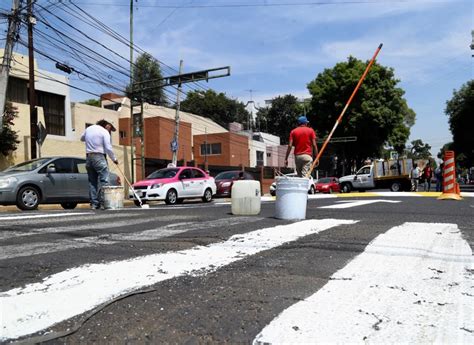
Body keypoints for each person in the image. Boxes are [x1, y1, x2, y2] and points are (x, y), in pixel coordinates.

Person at [80, 119, 119, 209]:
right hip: (99, 156)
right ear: (107, 125)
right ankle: (104, 202)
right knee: (104, 180)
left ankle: (94, 204)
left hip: (89, 157)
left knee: (92, 181)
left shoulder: (89, 129)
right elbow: (108, 148)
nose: (110, 131)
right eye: (110, 129)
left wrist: (90, 139)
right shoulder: (104, 132)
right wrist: (114, 159)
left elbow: (81, 138)